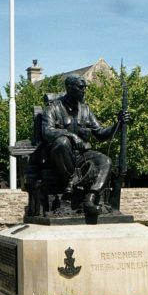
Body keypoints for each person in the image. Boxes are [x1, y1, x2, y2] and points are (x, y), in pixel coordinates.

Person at [41, 75, 126, 214]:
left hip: (82, 156)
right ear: (69, 88)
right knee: (62, 142)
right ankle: (71, 183)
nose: (84, 90)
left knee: (106, 161)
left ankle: (90, 198)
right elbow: (47, 131)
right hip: (60, 158)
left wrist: (118, 124)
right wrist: (71, 136)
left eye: (85, 87)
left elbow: (100, 133)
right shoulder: (53, 108)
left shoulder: (85, 110)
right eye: (80, 87)